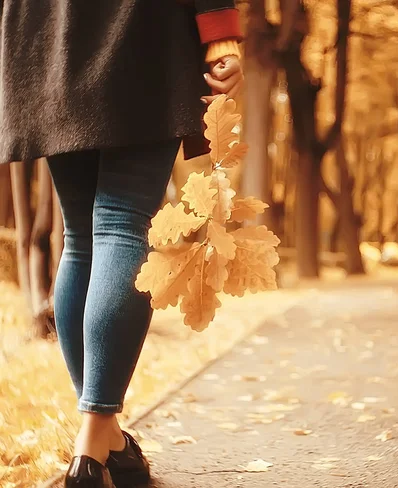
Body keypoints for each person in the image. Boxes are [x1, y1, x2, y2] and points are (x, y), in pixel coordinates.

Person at [0, 1, 244, 487]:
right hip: (138, 24)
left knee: (81, 237)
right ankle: (94, 438)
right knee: (121, 224)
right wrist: (218, 27)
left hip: (46, 26)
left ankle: (104, 438)